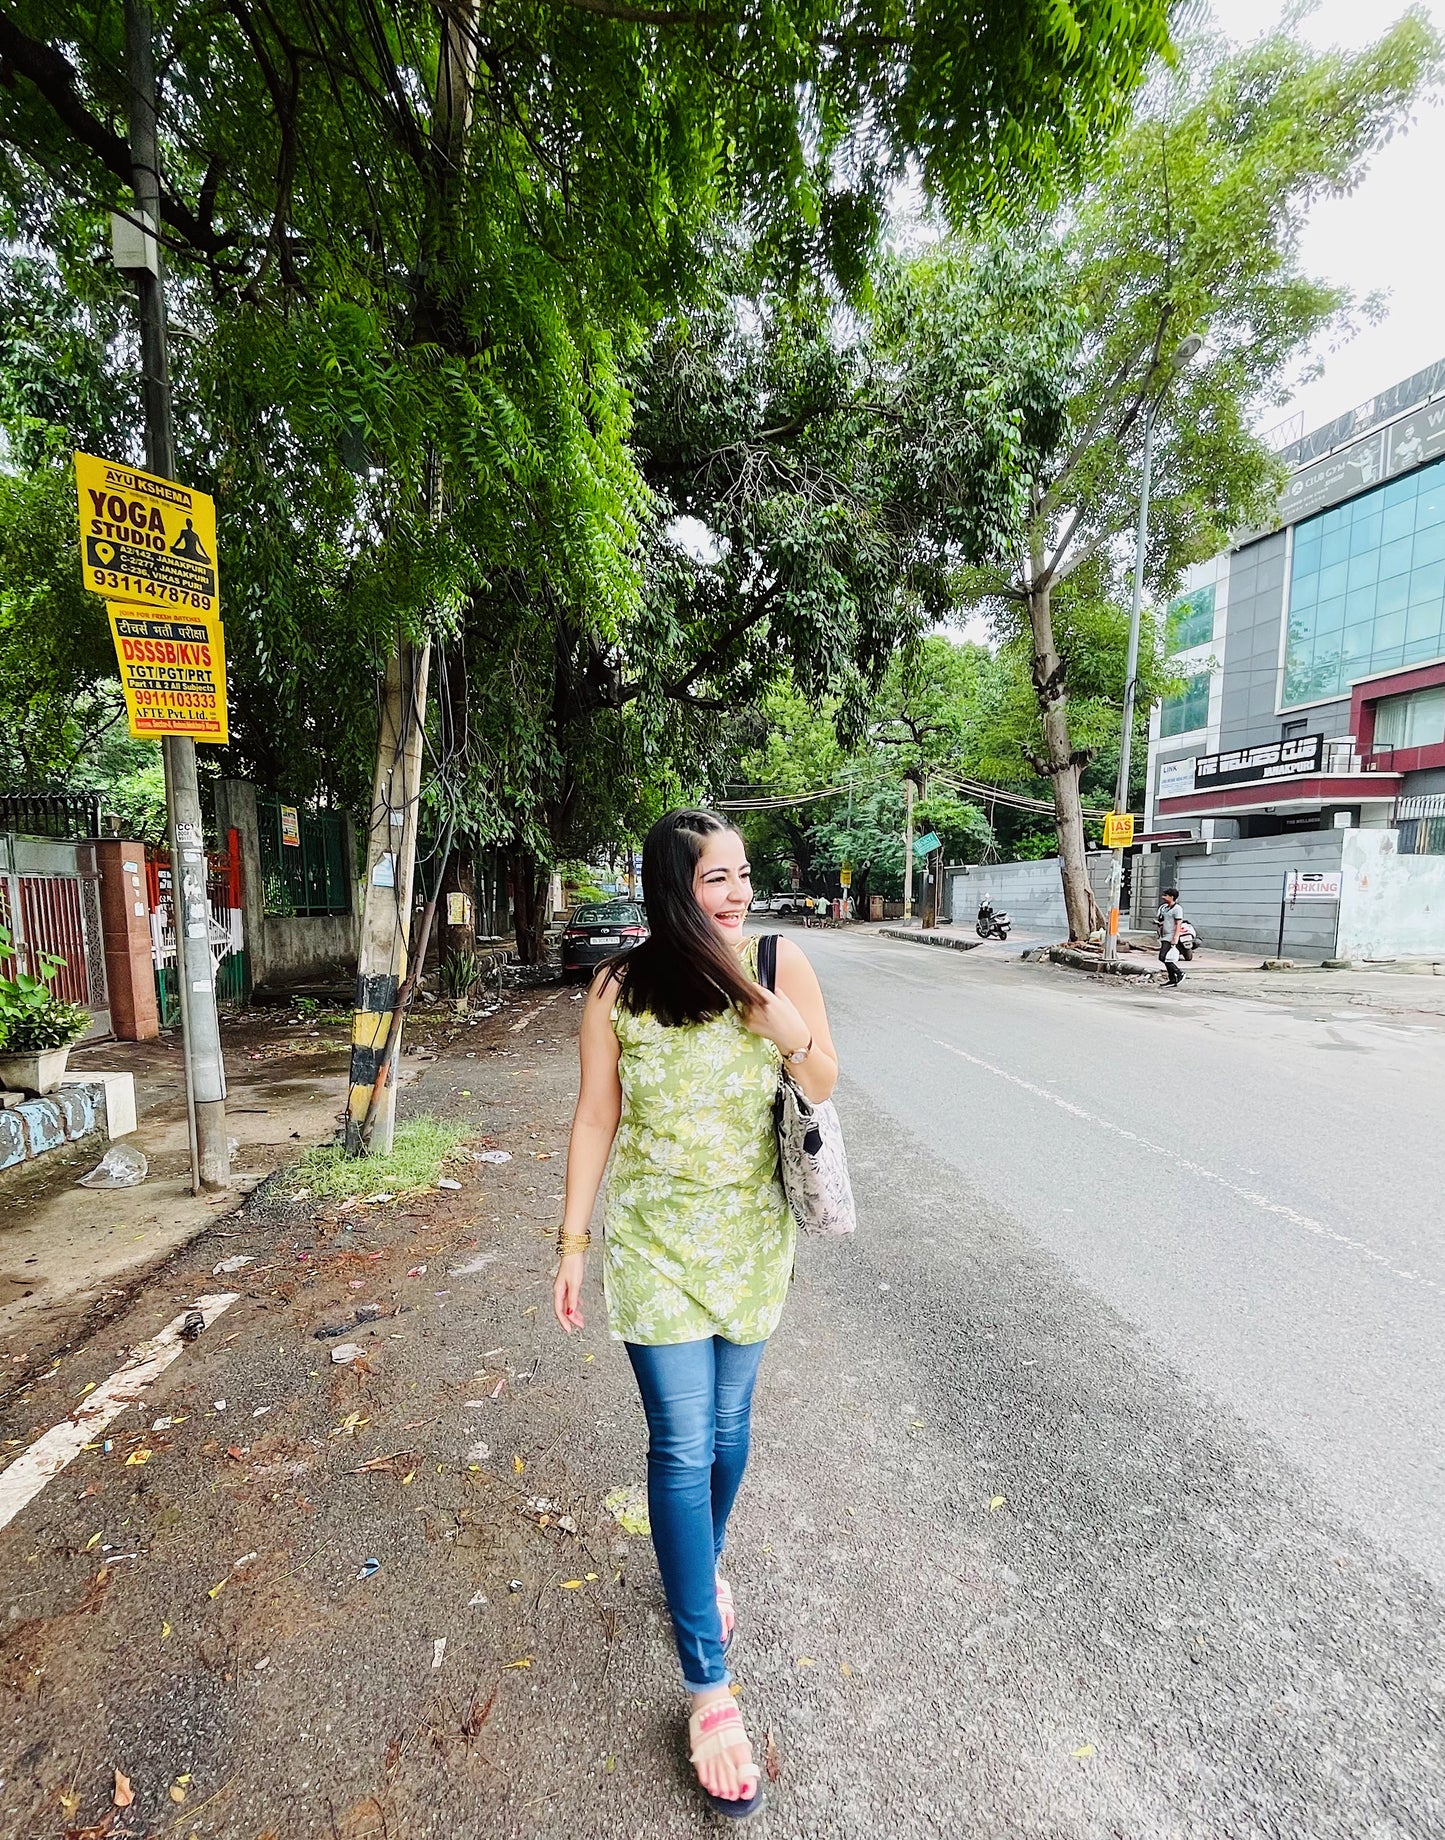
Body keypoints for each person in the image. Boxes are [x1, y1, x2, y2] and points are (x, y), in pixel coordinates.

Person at [553, 809, 839, 1820]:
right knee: (678, 1445)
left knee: (725, 1433)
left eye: (742, 874)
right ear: (672, 886)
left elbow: (822, 1079)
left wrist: (784, 1027)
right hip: (652, 1244)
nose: (736, 893)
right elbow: (596, 1115)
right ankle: (707, 1685)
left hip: (754, 1239)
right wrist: (572, 1242)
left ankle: (694, 1563)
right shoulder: (617, 988)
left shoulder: (774, 961)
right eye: (715, 878)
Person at [1157, 886, 1187, 986]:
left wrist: (1175, 937)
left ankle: (1179, 972)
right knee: (1165, 958)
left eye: (1166, 895)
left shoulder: (1177, 909)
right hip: (1164, 934)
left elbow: (1178, 923)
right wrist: (1159, 924)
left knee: (1162, 956)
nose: (1163, 897)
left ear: (1172, 897)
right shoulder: (1165, 908)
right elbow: (1166, 921)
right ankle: (1172, 979)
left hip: (1171, 935)